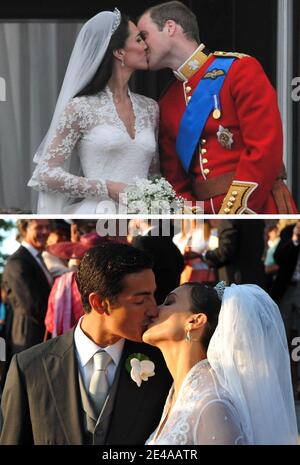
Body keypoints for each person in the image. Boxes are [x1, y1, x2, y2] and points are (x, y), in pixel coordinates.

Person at [0, 242, 171, 445]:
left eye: (153, 295)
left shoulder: (163, 364)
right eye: (140, 301)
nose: (154, 309)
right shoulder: (28, 368)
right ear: (99, 303)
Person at [137, 1, 297, 214]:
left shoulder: (239, 70)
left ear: (170, 27)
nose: (142, 45)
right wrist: (195, 214)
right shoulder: (167, 101)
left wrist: (234, 210)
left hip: (258, 207)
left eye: (144, 35)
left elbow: (264, 149)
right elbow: (175, 179)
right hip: (206, 215)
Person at [28, 9, 159, 214]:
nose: (146, 46)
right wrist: (107, 188)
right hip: (98, 213)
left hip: (142, 217)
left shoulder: (150, 108)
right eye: (139, 40)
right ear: (119, 52)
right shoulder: (80, 107)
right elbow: (44, 174)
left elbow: (154, 175)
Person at [142, 282, 298, 445]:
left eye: (169, 302)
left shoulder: (212, 405)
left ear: (195, 321)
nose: (154, 310)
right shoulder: (180, 394)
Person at [2, 219, 52, 359]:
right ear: (24, 229)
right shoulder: (18, 262)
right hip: (28, 341)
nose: (45, 232)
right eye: (39, 227)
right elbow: (33, 306)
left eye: (48, 227)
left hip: (42, 339)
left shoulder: (38, 259)